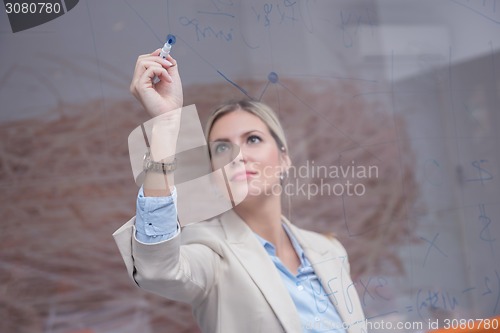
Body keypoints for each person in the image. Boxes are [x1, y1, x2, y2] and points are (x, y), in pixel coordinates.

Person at [113, 48, 367, 333]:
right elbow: (158, 269)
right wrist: (167, 124)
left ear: (284, 159)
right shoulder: (211, 250)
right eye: (222, 147)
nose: (238, 155)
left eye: (253, 139)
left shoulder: (328, 251)